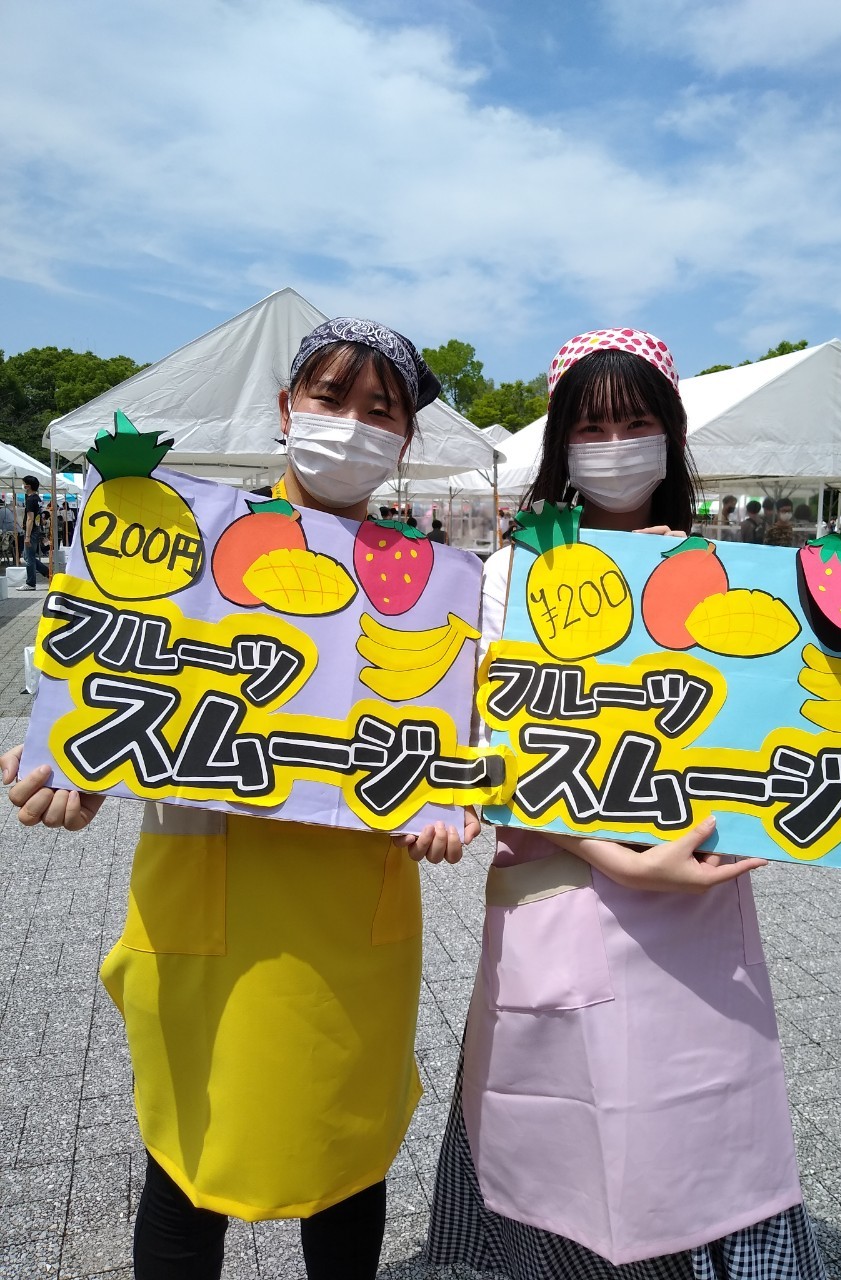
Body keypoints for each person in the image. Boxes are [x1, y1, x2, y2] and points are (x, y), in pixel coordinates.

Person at [1, 318, 472, 1280]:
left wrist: (451, 801)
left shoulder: (436, 591)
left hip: (354, 925)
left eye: (380, 411)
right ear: (287, 408)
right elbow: (121, 693)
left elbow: (463, 753)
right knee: (183, 1166)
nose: (351, 425)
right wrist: (78, 766)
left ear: (405, 443)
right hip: (204, 904)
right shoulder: (187, 544)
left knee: (347, 1167)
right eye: (331, 399)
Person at [425, 328, 826, 1279]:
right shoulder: (511, 574)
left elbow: (773, 729)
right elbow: (486, 750)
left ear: (671, 436)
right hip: (558, 896)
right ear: (562, 442)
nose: (615, 444)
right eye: (592, 426)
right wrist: (618, 855)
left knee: (700, 1130)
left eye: (638, 422)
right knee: (560, 1138)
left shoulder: (726, 570)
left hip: (694, 905)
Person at [18, 474, 48, 591]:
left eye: (24, 483)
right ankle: (46, 571)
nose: (23, 486)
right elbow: (37, 516)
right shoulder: (37, 498)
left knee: (29, 558)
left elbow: (31, 518)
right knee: (27, 556)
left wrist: (27, 536)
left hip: (32, 531)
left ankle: (30, 583)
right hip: (36, 529)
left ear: (28, 486)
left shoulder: (31, 499)